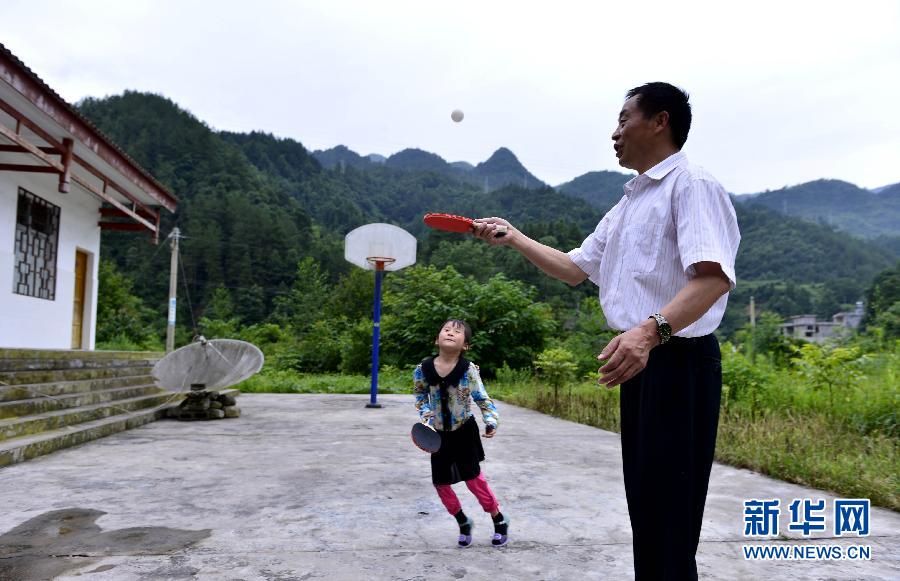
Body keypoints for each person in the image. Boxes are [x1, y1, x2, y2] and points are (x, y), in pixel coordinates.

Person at [472, 82, 740, 579]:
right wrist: (514, 237)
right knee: (648, 508)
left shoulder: (690, 184)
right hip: (642, 362)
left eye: (623, 120)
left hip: (678, 361)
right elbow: (575, 268)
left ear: (660, 121)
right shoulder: (629, 203)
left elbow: (713, 279)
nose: (614, 133)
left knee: (671, 517)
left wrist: (649, 331)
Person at [413, 319, 510, 547]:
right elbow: (419, 397)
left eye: (457, 332)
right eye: (446, 330)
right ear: (437, 339)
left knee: (474, 480)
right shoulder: (422, 370)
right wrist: (426, 414)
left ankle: (499, 519)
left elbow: (483, 399)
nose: (450, 333)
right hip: (438, 436)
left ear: (465, 345)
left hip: (464, 432)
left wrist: (491, 420)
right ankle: (462, 521)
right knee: (441, 484)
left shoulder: (468, 370)